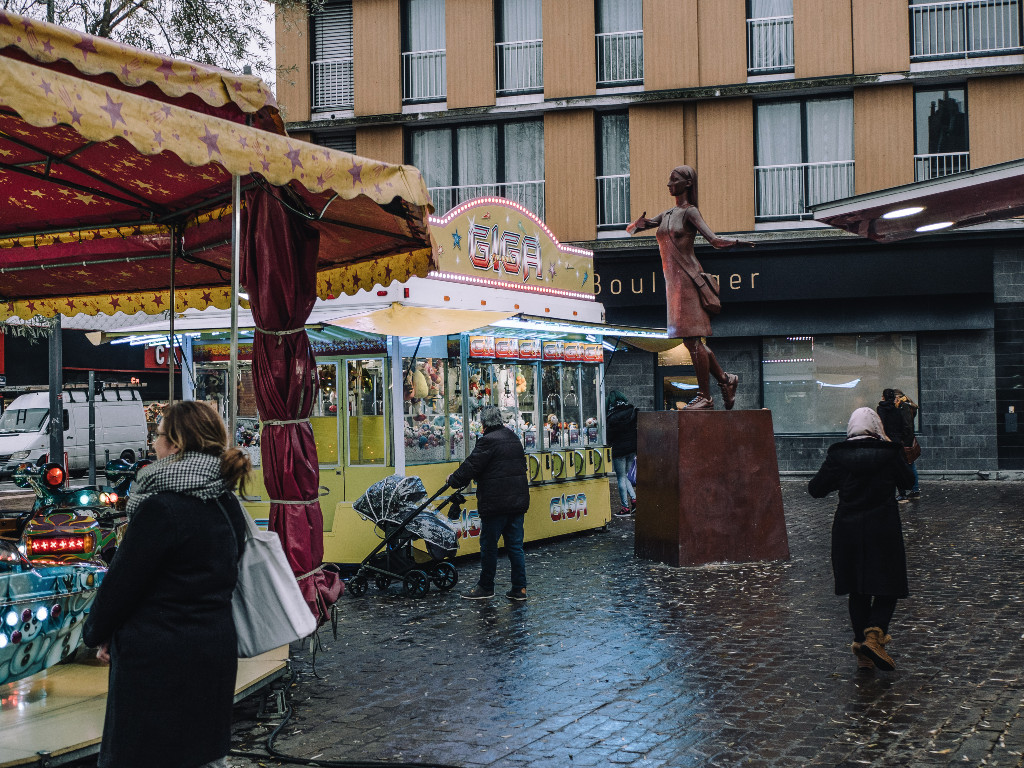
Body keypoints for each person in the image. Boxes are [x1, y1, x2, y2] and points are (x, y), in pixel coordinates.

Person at [83, 401, 251, 768]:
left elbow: (123, 582)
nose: (152, 443)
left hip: (157, 659)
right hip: (213, 648)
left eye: (157, 435)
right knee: (201, 755)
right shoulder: (226, 502)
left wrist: (96, 631)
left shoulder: (161, 508)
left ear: (175, 444)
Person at [626, 165, 752, 410]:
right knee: (690, 341)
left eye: (674, 180)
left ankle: (706, 395)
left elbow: (713, 240)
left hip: (688, 280)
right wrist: (635, 225)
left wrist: (738, 242)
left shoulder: (690, 212)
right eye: (669, 179)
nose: (669, 184)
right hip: (673, 284)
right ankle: (726, 380)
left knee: (693, 341)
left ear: (688, 184)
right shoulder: (667, 214)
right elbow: (638, 227)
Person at [807, 407, 914, 672]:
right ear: (877, 428)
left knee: (857, 589)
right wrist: (894, 448)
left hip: (848, 530)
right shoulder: (889, 455)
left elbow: (816, 489)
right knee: (889, 585)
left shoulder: (838, 455)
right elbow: (909, 481)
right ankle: (874, 637)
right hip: (883, 528)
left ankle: (863, 653)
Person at [448, 405, 530, 601]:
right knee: (515, 546)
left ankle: (486, 586)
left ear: (484, 423)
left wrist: (453, 480)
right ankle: (520, 588)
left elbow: (471, 466)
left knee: (489, 546)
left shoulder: (488, 441)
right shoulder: (512, 438)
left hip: (496, 504)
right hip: (517, 502)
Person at [877, 388, 915, 502]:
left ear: (883, 397)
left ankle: (887, 493)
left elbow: (881, 425)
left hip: (887, 441)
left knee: (885, 469)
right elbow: (904, 426)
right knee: (898, 467)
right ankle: (902, 493)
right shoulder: (897, 410)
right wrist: (901, 438)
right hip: (897, 441)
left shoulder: (881, 409)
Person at [605, 390, 638, 517]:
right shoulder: (632, 412)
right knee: (625, 477)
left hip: (619, 451)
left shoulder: (611, 417)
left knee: (620, 477)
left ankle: (625, 508)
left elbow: (609, 438)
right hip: (631, 449)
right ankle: (634, 500)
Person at [895, 389, 921, 499]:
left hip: (906, 441)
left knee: (910, 465)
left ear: (898, 397)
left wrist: (903, 440)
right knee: (911, 464)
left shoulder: (904, 407)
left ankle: (914, 490)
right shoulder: (907, 406)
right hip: (908, 439)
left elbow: (907, 426)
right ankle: (915, 490)